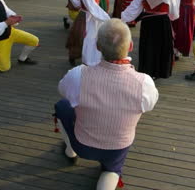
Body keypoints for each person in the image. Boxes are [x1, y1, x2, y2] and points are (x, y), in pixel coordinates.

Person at [54, 18, 159, 190]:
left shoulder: (78, 75)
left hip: (83, 145)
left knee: (62, 106)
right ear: (130, 46)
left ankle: (70, 151)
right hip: (117, 148)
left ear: (97, 46)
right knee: (111, 171)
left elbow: (62, 90)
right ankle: (111, 171)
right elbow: (149, 106)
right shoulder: (144, 83)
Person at [121, 0, 178, 79]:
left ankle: (147, 70)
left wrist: (123, 18)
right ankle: (157, 71)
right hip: (162, 22)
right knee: (159, 47)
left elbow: (135, 7)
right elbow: (174, 14)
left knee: (148, 46)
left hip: (147, 22)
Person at [71, 0, 110, 66]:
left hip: (94, 17)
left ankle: (95, 59)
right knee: (88, 39)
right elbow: (91, 7)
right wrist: (107, 18)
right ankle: (88, 61)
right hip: (87, 17)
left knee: (95, 38)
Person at [65, 0, 86, 66]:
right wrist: (85, 0)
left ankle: (67, 21)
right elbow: (76, 5)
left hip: (81, 11)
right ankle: (68, 20)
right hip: (74, 12)